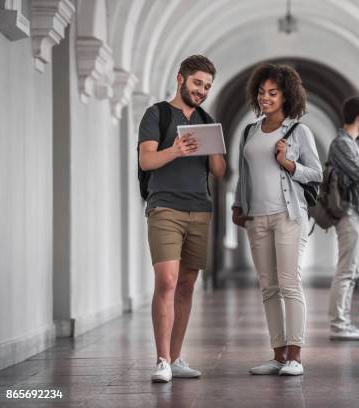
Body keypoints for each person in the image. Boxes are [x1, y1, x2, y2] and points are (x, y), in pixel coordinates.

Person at [138, 55, 226, 383]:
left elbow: (219, 173)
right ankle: (161, 360)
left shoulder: (207, 119)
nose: (202, 90)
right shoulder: (157, 114)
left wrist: (213, 148)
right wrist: (175, 150)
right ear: (180, 79)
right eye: (197, 83)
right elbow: (147, 161)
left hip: (200, 209)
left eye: (207, 86)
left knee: (187, 286)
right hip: (164, 209)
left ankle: (175, 359)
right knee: (168, 281)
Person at [232, 63, 322, 376]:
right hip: (256, 218)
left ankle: (295, 356)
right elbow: (244, 175)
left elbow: (317, 174)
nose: (266, 97)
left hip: (289, 216)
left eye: (273, 92)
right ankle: (278, 355)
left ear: (286, 96)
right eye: (261, 92)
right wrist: (237, 205)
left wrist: (288, 163)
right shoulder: (249, 131)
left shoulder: (299, 131)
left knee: (289, 284)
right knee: (268, 287)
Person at [327, 96, 359, 340]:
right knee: (346, 269)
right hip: (349, 212)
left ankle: (344, 322)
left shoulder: (353, 144)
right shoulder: (342, 144)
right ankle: (338, 324)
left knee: (352, 269)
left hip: (358, 213)